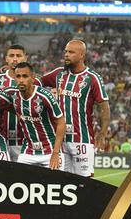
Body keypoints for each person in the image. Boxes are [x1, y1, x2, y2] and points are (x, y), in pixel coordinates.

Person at [41, 40, 110, 177]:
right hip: (59, 140)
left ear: (82, 56)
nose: (66, 55)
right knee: (59, 182)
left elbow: (104, 107)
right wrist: (13, 73)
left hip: (82, 140)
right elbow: (37, 81)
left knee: (85, 184)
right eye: (66, 51)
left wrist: (102, 133)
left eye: (71, 52)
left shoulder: (92, 78)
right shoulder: (59, 74)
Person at [5, 62, 65, 170]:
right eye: (18, 76)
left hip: (50, 151)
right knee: (18, 183)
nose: (21, 80)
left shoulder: (45, 96)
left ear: (33, 78)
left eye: (25, 76)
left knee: (55, 185)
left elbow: (61, 122)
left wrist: (56, 153)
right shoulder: (12, 94)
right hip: (28, 151)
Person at [0, 44, 43, 162]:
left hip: (25, 140)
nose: (15, 59)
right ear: (6, 58)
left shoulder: (36, 81)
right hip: (1, 138)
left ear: (25, 58)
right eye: (11, 55)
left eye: (18, 56)